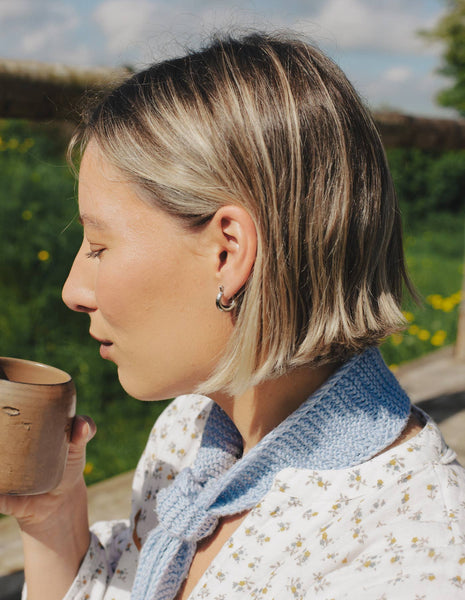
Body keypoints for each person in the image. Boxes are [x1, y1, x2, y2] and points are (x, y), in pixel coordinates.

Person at [1, 32, 464, 600]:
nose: (73, 290)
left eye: (98, 246)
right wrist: (53, 519)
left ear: (228, 252)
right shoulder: (187, 433)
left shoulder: (407, 560)